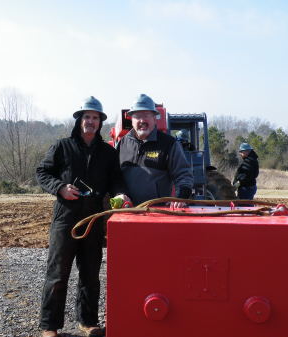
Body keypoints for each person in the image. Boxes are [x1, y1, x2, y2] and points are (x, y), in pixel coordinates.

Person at [36, 96, 130, 337]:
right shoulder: (62, 146)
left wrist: (120, 193)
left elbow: (116, 179)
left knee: (90, 273)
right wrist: (60, 188)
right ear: (79, 120)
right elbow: (43, 172)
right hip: (65, 218)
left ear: (100, 123)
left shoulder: (108, 153)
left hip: (94, 218)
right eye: (86, 117)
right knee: (58, 274)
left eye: (95, 117)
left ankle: (88, 322)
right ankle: (49, 326)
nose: (90, 121)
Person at [118, 94, 193, 207]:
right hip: (127, 212)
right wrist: (119, 193)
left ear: (154, 118)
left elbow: (184, 175)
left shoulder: (169, 144)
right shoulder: (122, 144)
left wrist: (181, 197)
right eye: (138, 116)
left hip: (157, 214)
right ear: (131, 119)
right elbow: (114, 176)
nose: (142, 120)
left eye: (147, 115)